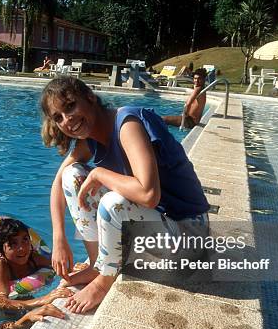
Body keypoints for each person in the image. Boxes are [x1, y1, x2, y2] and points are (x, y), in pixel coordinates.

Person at [40, 77, 210, 313]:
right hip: (159, 231)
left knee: (113, 202)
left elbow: (149, 194)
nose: (67, 120)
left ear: (89, 97)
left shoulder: (127, 123)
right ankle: (97, 264)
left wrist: (100, 174)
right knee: (72, 175)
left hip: (189, 235)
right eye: (58, 117)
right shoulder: (90, 141)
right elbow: (59, 184)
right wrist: (59, 238)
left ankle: (104, 280)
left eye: (70, 107)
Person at [0, 218, 73, 310]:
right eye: (13, 243)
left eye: (25, 239)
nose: (22, 248)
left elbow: (58, 265)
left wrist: (73, 268)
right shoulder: (1, 265)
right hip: (5, 309)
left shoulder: (33, 258)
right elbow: (1, 301)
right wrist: (42, 299)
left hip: (24, 295)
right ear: (0, 250)